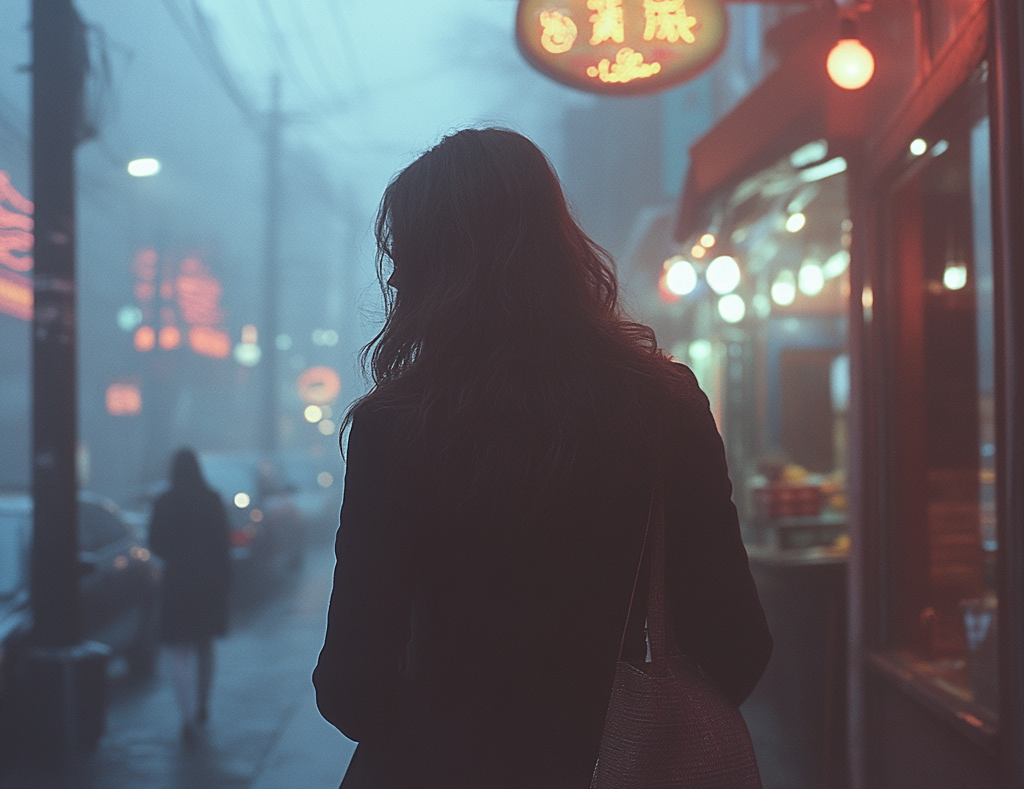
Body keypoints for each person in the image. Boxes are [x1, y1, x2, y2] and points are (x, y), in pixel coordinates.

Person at [314, 128, 772, 789]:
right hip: (623, 762)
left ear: (431, 264)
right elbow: (738, 643)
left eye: (401, 253)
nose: (392, 274)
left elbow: (351, 686)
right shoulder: (665, 405)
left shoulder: (397, 428)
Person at [149, 447, 231, 741]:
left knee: (178, 649)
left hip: (177, 583)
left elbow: (155, 542)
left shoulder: (164, 502)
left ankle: (185, 715)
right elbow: (224, 542)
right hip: (208, 582)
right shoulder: (211, 499)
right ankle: (202, 704)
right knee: (204, 645)